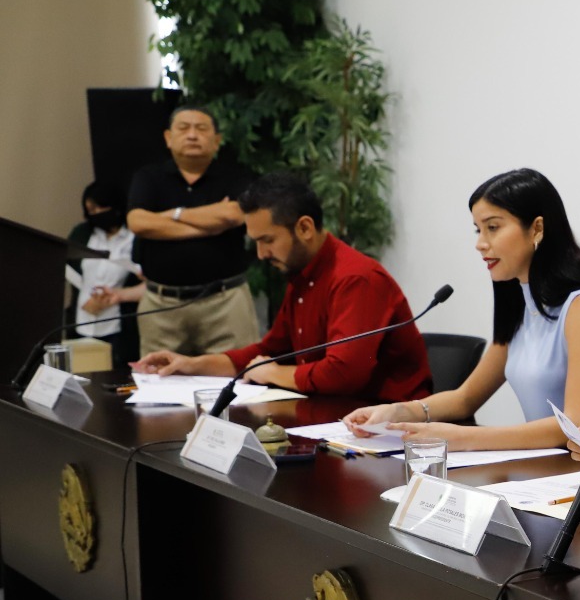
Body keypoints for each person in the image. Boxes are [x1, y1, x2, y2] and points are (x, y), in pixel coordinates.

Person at [341, 168, 580, 448]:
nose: (480, 244)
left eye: (493, 227)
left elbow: (575, 424)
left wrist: (461, 438)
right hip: (549, 467)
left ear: (536, 228)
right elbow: (465, 398)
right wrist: (398, 412)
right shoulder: (523, 308)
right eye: (478, 230)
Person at [133, 173, 432, 402]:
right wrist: (192, 364)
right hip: (334, 416)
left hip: (388, 428)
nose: (261, 254)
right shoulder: (302, 273)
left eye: (268, 240)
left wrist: (274, 373)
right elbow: (270, 351)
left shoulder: (356, 278)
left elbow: (343, 374)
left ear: (304, 228)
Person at [126, 105, 259, 353]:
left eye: (201, 128)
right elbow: (138, 223)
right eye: (184, 128)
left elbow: (234, 214)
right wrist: (210, 226)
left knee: (236, 374)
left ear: (217, 140)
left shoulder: (235, 176)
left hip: (225, 302)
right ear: (168, 137)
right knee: (159, 375)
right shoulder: (149, 177)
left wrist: (173, 215)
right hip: (161, 304)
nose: (192, 135)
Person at [66, 181, 146, 368]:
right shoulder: (82, 233)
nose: (96, 214)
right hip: (83, 317)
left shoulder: (135, 237)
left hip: (120, 323)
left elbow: (147, 278)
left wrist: (114, 295)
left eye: (100, 207)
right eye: (90, 210)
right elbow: (68, 267)